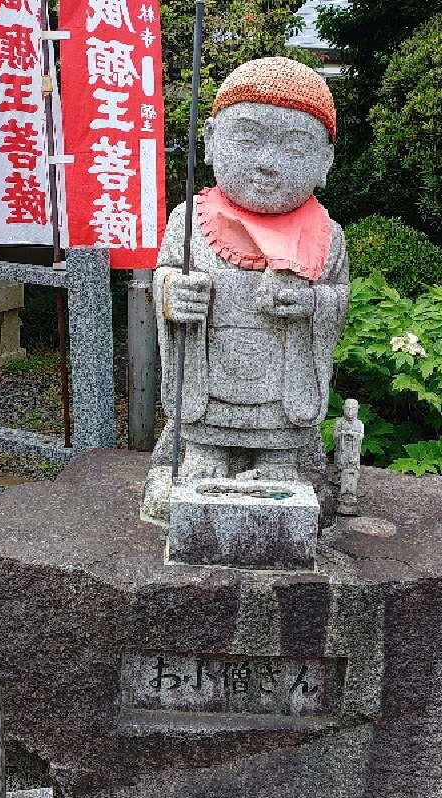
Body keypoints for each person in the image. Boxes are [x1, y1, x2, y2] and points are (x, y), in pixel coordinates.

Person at [151, 56, 349, 484]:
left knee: (280, 468)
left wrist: (311, 301)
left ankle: (279, 462)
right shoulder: (189, 222)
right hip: (212, 377)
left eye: (294, 146)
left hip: (282, 385)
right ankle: (204, 452)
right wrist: (172, 292)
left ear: (325, 161)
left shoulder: (325, 235)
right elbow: (164, 276)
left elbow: (338, 298)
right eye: (247, 139)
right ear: (209, 141)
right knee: (203, 466)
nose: (268, 163)